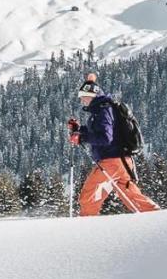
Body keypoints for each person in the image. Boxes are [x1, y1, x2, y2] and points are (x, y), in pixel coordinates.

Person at [67, 73, 159, 216]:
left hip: (112, 161)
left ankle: (86, 227)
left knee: (89, 194)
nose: (81, 99)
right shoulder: (103, 109)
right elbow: (102, 132)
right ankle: (157, 216)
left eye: (84, 96)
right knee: (130, 195)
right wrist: (79, 130)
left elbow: (105, 138)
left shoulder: (103, 111)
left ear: (93, 95)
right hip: (123, 161)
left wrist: (81, 138)